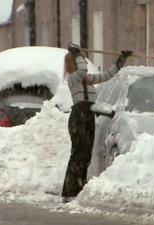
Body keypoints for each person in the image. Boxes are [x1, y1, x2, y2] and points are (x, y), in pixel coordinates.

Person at [61, 43, 132, 203]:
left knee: (86, 154)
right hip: (79, 115)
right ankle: (70, 190)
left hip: (88, 116)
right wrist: (78, 54)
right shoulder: (74, 79)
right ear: (74, 62)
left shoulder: (88, 80)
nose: (85, 63)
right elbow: (82, 70)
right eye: (80, 60)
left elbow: (107, 75)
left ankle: (78, 188)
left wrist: (121, 61)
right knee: (78, 153)